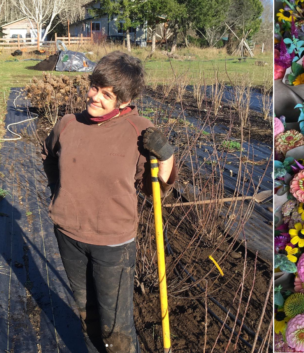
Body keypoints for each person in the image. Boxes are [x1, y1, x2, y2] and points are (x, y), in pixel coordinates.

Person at [41, 51, 176, 353]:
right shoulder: (67, 124)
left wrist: (166, 157)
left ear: (124, 101)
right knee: (85, 310)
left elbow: (153, 190)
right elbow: (48, 155)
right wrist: (56, 191)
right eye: (94, 87)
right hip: (69, 235)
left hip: (113, 244)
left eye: (106, 94)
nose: (95, 97)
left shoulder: (138, 130)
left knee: (116, 328)